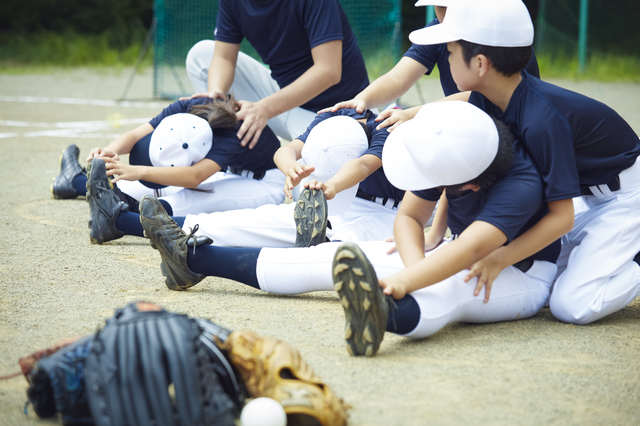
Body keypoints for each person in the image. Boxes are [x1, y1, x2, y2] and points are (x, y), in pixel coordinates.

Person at [138, 101, 560, 358]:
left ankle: (384, 313)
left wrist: (403, 283)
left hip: (517, 272)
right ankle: (193, 258)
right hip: (452, 248)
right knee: (326, 257)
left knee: (447, 290)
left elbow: (468, 254)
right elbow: (410, 218)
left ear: (468, 182)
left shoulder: (520, 184)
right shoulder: (460, 144)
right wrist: (414, 263)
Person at [407, 0, 640, 325]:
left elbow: (561, 218)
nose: (446, 58)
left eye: (449, 51)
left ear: (480, 63)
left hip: (626, 198)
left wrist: (500, 258)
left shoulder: (541, 119)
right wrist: (438, 230)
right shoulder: (485, 99)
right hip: (589, 195)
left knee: (573, 305)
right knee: (540, 275)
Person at [51, 96, 284, 244]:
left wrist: (138, 171)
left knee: (193, 198)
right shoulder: (188, 107)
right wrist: (109, 154)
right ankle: (75, 181)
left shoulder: (234, 135)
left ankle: (118, 218)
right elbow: (135, 135)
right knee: (126, 182)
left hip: (264, 183)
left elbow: (194, 177)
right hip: (225, 170)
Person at [320, 0, 539, 132]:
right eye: (439, 6)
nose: (444, 13)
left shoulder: (496, 35)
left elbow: (480, 97)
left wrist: (413, 114)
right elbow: (398, 77)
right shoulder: (440, 30)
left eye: (450, 6)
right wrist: (362, 100)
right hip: (460, 127)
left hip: (512, 134)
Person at [183, 0, 370, 148]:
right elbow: (224, 58)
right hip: (282, 99)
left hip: (335, 113)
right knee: (201, 55)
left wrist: (264, 109)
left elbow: (329, 71)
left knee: (309, 187)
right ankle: (238, 151)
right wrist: (216, 93)